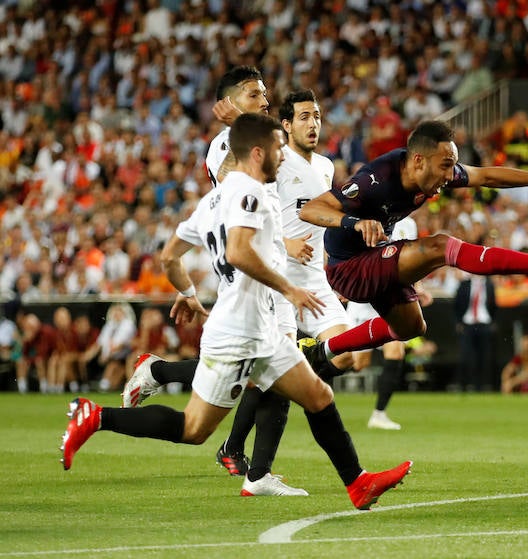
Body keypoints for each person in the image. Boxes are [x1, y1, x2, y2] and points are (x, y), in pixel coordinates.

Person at [61, 113, 411, 510]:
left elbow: (169, 256)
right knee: (193, 429)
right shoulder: (251, 193)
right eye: (278, 148)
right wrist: (290, 289)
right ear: (258, 151)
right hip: (239, 333)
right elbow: (238, 251)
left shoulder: (213, 200)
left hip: (260, 329)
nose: (283, 155)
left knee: (317, 394)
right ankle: (95, 416)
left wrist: (189, 293)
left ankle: (357, 484)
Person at [123, 68, 309, 496]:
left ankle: (246, 461)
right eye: (253, 94)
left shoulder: (269, 137)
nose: (265, 100)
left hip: (273, 268)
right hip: (249, 276)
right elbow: (234, 188)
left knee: (266, 371)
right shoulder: (223, 146)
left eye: (265, 92)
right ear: (230, 103)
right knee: (271, 369)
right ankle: (251, 467)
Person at [297, 120, 528, 372]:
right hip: (348, 267)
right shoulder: (376, 179)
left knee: (411, 328)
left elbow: (486, 176)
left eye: (452, 166)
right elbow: (310, 209)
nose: (449, 176)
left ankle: (322, 350)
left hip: (375, 257)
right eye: (445, 166)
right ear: (418, 160)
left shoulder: (432, 171)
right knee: (440, 246)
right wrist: (354, 222)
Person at [343, 215, 428, 430]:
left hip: (391, 300)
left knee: (396, 352)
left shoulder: (409, 224)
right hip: (364, 299)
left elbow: (412, 261)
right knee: (355, 363)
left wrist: (418, 287)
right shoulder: (372, 217)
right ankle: (307, 369)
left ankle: (379, 414)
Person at [453, 270, 497, 392]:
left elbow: (493, 305)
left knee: (484, 356)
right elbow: (456, 304)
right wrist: (458, 322)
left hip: (484, 324)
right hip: (468, 323)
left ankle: (482, 385)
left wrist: (492, 322)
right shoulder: (464, 284)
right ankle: (464, 384)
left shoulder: (489, 284)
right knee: (466, 356)